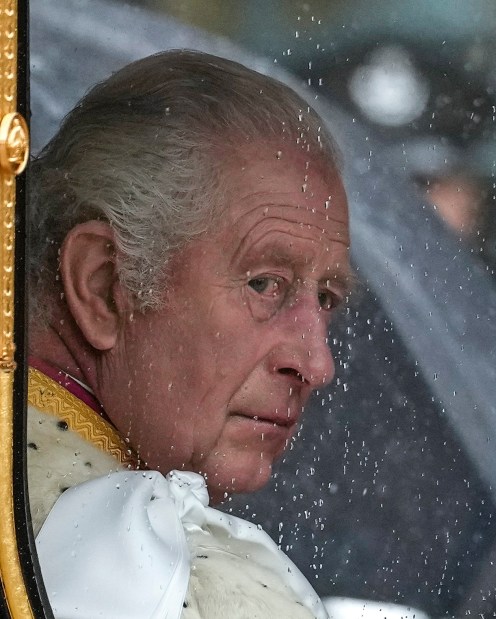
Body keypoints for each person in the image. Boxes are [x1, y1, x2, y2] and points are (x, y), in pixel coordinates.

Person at [25, 49, 351, 618]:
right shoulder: (158, 582)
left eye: (326, 299)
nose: (317, 364)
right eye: (265, 285)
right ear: (104, 285)